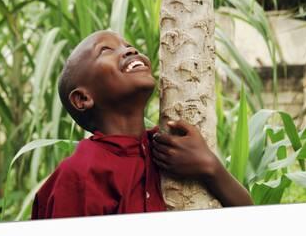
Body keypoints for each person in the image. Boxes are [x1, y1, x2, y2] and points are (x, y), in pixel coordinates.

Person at [31, 30, 253, 219]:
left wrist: (210, 167)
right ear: (83, 98)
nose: (130, 50)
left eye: (129, 45)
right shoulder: (80, 173)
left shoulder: (172, 148)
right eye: (106, 50)